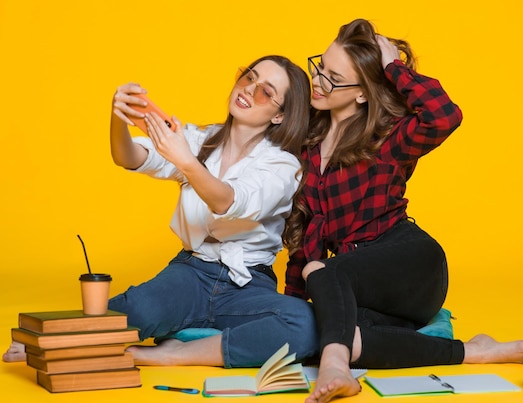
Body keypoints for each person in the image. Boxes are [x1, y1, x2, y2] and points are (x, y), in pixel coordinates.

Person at [281, 19, 523, 403]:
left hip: (412, 265)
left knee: (322, 275)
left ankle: (337, 368)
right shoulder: (309, 147)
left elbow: (443, 116)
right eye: (320, 67)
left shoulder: (387, 140)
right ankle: (475, 351)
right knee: (323, 330)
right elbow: (306, 236)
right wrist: (293, 305)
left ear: (364, 94)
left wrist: (392, 66)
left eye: (334, 77)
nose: (318, 81)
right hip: (354, 280)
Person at [3, 55, 319, 368]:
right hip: (191, 274)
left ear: (279, 115)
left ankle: (174, 352)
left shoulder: (283, 165)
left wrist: (186, 162)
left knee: (303, 323)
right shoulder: (198, 140)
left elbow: (229, 202)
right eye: (248, 77)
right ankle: (191, 332)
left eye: (265, 91)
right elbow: (130, 157)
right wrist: (119, 119)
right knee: (132, 309)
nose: (250, 89)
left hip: (247, 285)